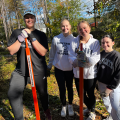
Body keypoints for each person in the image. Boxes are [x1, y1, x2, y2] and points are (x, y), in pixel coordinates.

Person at [7, 10, 52, 120]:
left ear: (35, 20)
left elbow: (43, 52)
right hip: (21, 71)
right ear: (24, 20)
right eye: (27, 18)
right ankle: (19, 118)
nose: (29, 20)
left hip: (38, 70)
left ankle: (46, 111)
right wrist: (20, 39)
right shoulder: (17, 32)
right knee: (12, 93)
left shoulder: (41, 34)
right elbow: (11, 51)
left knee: (43, 94)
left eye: (31, 18)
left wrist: (32, 37)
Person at [68, 21, 100, 120]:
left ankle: (92, 112)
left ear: (89, 28)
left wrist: (84, 59)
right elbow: (71, 56)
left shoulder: (95, 42)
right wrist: (77, 62)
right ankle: (89, 107)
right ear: (78, 30)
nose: (83, 30)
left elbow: (95, 58)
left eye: (85, 28)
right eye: (80, 29)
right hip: (78, 73)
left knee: (90, 93)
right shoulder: (74, 42)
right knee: (81, 94)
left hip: (90, 74)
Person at [47, 19, 75, 117]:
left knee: (70, 88)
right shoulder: (56, 39)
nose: (65, 28)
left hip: (70, 69)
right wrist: (49, 65)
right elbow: (52, 53)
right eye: (63, 26)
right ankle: (63, 105)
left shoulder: (74, 39)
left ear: (70, 26)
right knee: (61, 88)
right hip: (59, 68)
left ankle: (70, 105)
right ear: (60, 27)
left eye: (67, 26)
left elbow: (77, 55)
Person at [97, 34, 120, 120]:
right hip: (101, 84)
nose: (105, 44)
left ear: (113, 43)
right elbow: (97, 69)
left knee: (115, 106)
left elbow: (119, 74)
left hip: (113, 86)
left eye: (107, 42)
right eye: (103, 43)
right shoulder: (100, 54)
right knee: (106, 102)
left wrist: (110, 88)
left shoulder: (117, 56)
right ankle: (111, 116)